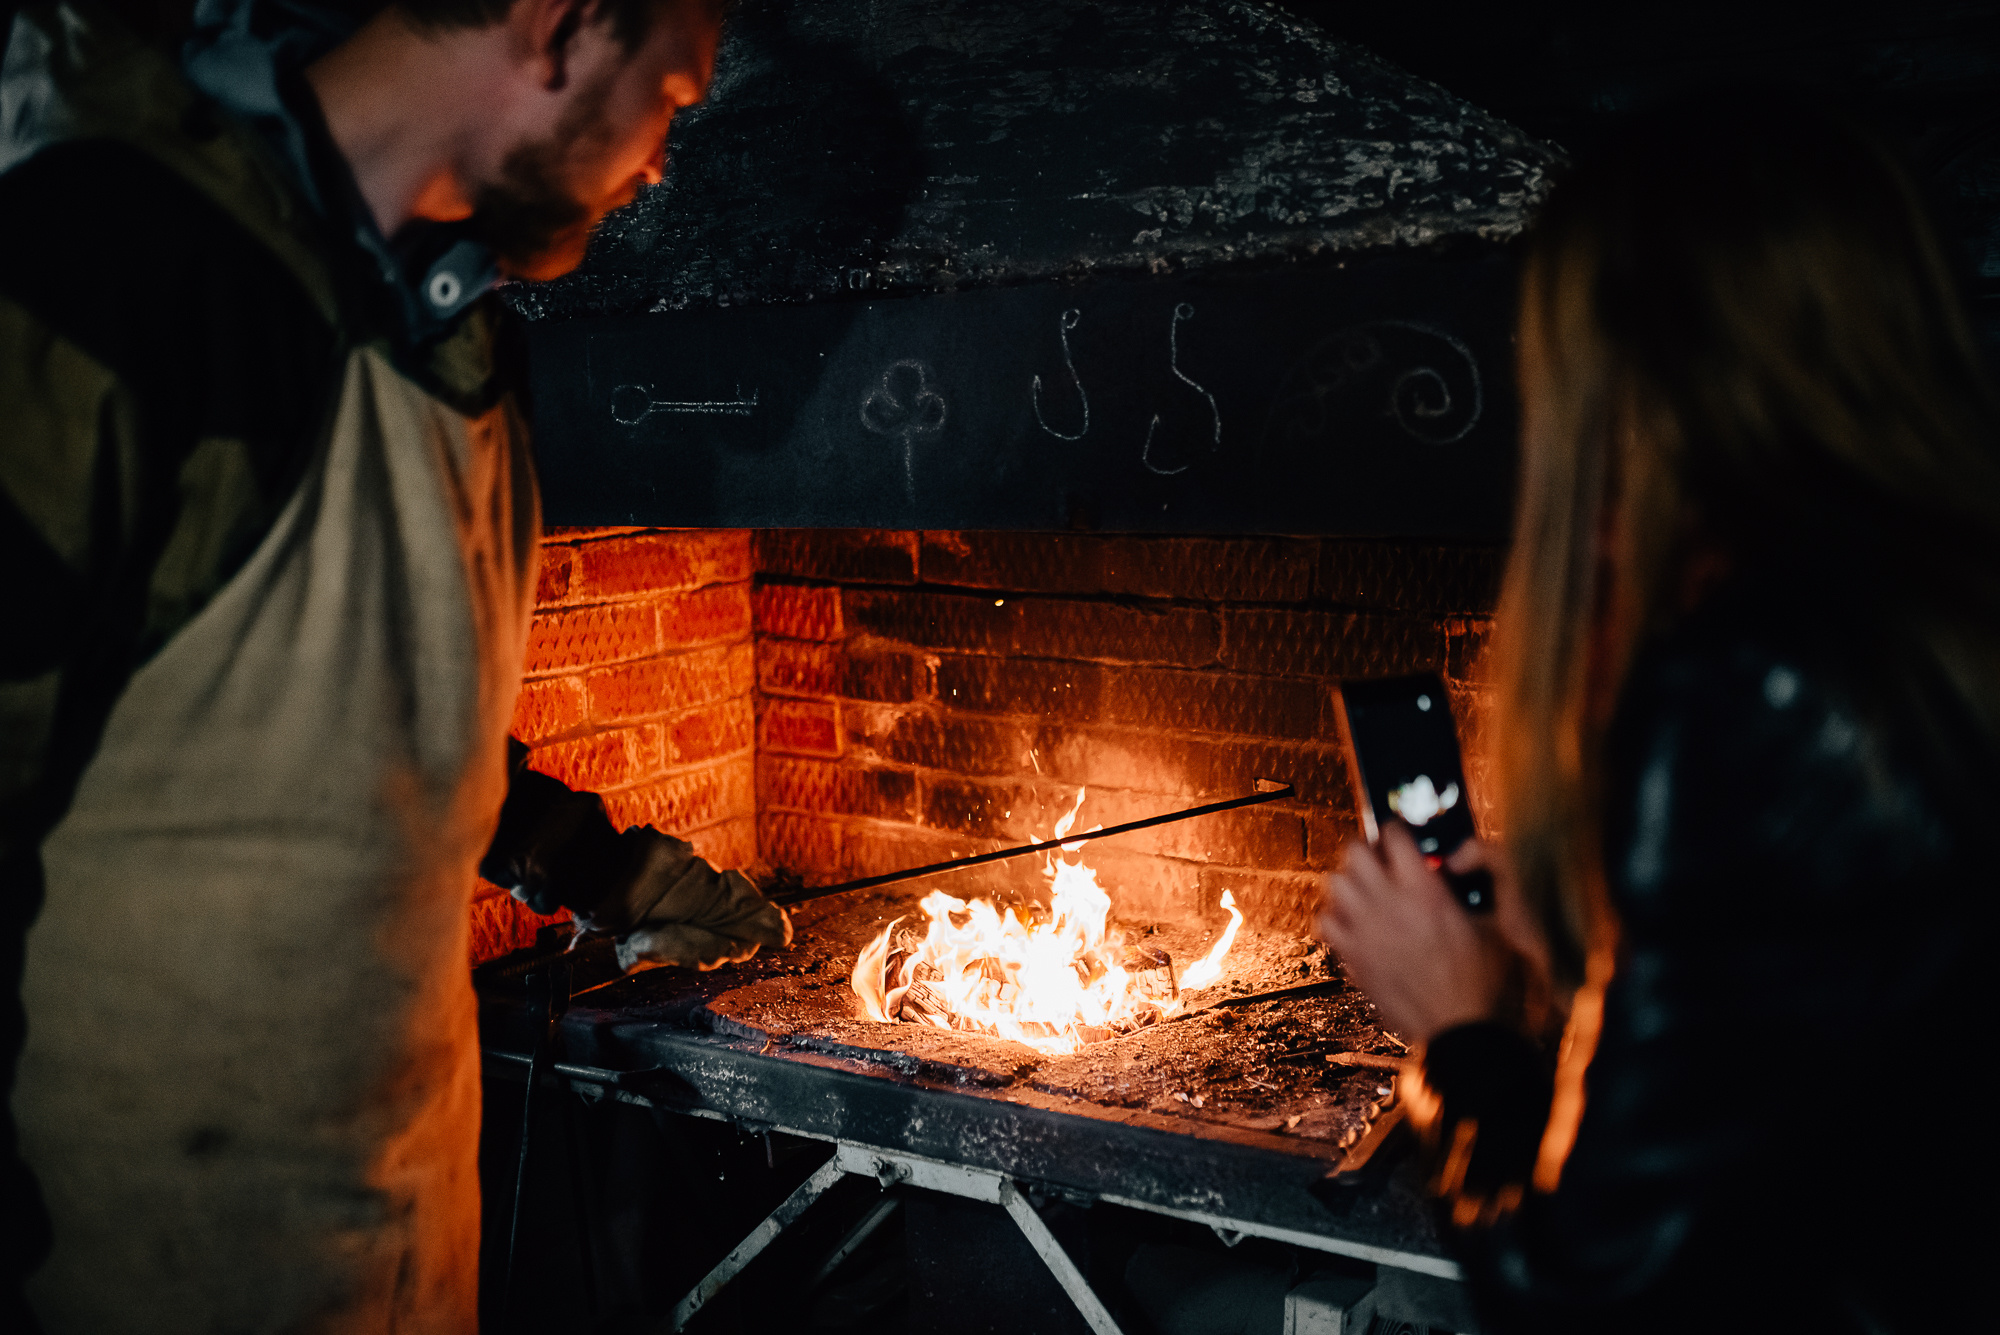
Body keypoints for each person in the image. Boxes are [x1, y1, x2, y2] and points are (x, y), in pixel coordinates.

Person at [0, 0, 788, 1328]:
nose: (663, 157)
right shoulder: (111, 270)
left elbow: (353, 725)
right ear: (562, 23)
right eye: (672, 96)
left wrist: (606, 871)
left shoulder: (451, 333)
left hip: (392, 1251)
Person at [1319, 101, 1997, 1333]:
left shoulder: (1743, 681)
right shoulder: (1932, 623)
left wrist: (1459, 1032)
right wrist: (1618, 930)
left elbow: (1595, 1293)